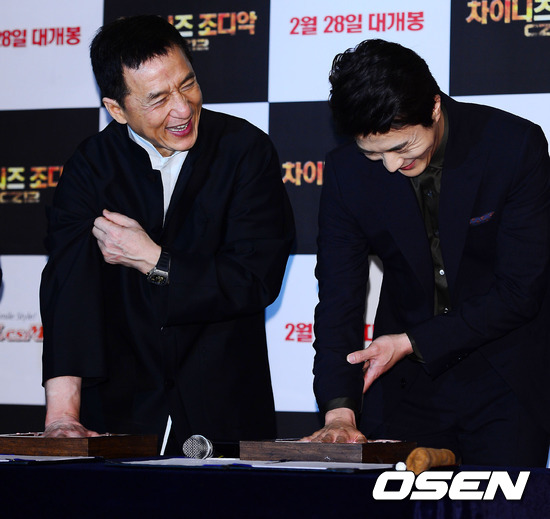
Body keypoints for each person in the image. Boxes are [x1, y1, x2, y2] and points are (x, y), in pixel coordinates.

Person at [40, 15, 294, 454]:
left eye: (188, 83)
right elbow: (68, 289)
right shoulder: (91, 166)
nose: (182, 108)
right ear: (117, 109)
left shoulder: (244, 150)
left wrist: (154, 260)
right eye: (158, 99)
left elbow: (254, 279)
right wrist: (63, 415)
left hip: (226, 409)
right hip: (120, 415)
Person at [305, 39, 550, 466]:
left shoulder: (512, 146)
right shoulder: (347, 172)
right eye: (373, 153)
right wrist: (340, 408)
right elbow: (339, 298)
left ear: (434, 107)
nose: (390, 166)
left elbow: (519, 290)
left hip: (505, 375)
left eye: (402, 148)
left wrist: (411, 342)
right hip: (406, 387)